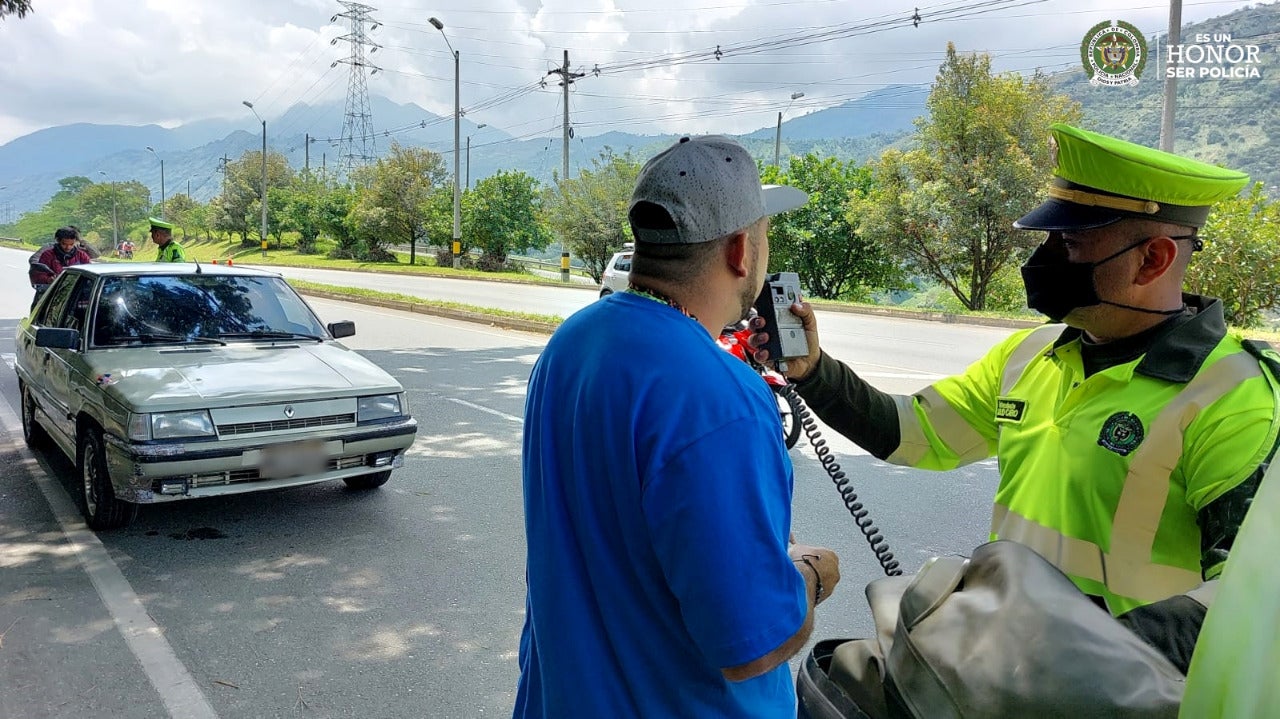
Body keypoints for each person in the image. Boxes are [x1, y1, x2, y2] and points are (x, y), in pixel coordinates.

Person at [751, 123, 1280, 671]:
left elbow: (1251, 599)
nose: (1044, 259)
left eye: (1070, 244)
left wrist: (1074, 663)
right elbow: (910, 433)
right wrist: (813, 371)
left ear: (1154, 259)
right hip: (1010, 674)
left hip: (1126, 695)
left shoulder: (1234, 398)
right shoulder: (1032, 355)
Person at [514, 135, 841, 719]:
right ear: (742, 250)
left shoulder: (572, 343)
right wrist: (811, 574)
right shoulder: (722, 399)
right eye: (766, 236)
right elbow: (752, 644)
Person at [30, 226, 94, 285]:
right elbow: (38, 275)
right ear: (58, 240)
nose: (68, 247)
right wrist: (48, 280)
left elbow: (90, 273)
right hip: (52, 289)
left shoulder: (82, 255)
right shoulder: (48, 255)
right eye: (64, 244)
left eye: (71, 244)